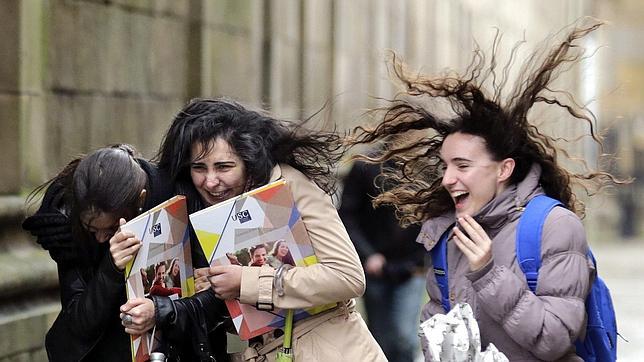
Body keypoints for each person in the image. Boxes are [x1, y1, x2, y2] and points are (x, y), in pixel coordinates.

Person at [347, 21, 624, 361]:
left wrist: (488, 271)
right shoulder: (447, 234)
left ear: (503, 169)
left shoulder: (554, 226)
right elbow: (438, 328)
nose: (448, 178)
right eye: (446, 165)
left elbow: (553, 340)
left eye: (462, 166)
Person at [121, 98, 386, 361]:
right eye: (199, 168)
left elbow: (347, 277)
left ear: (248, 159)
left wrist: (244, 282)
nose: (211, 182)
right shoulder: (195, 209)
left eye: (224, 167)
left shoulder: (290, 184)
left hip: (331, 349)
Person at [22, 144, 228, 361]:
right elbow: (78, 324)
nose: (101, 238)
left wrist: (160, 311)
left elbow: (218, 299)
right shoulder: (68, 229)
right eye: (92, 229)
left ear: (141, 199)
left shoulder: (178, 199)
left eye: (111, 229)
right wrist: (111, 270)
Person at [339, 158, 426, 362]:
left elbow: (432, 217)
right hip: (375, 270)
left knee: (404, 336)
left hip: (412, 268)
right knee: (380, 338)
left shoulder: (424, 165)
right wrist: (368, 254)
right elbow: (347, 216)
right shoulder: (365, 167)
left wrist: (423, 257)